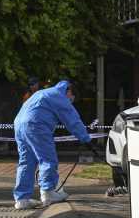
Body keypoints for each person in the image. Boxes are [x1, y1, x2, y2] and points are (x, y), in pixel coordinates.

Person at [13, 79, 92, 210]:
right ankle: (48, 192)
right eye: (72, 99)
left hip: (19, 125)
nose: (71, 102)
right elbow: (72, 120)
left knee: (26, 162)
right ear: (69, 91)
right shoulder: (59, 96)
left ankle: (22, 199)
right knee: (47, 159)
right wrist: (85, 138)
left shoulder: (43, 93)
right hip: (36, 125)